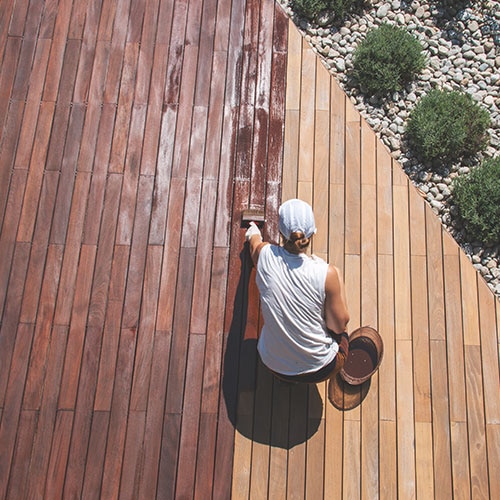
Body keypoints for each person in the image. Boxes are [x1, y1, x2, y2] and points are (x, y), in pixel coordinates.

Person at [245, 199, 350, 399]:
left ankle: (286, 379)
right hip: (321, 369)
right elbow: (339, 325)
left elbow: (254, 245)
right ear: (312, 234)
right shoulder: (327, 273)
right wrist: (336, 278)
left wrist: (253, 232)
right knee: (343, 330)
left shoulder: (265, 255)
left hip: (273, 363)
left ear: (282, 233)